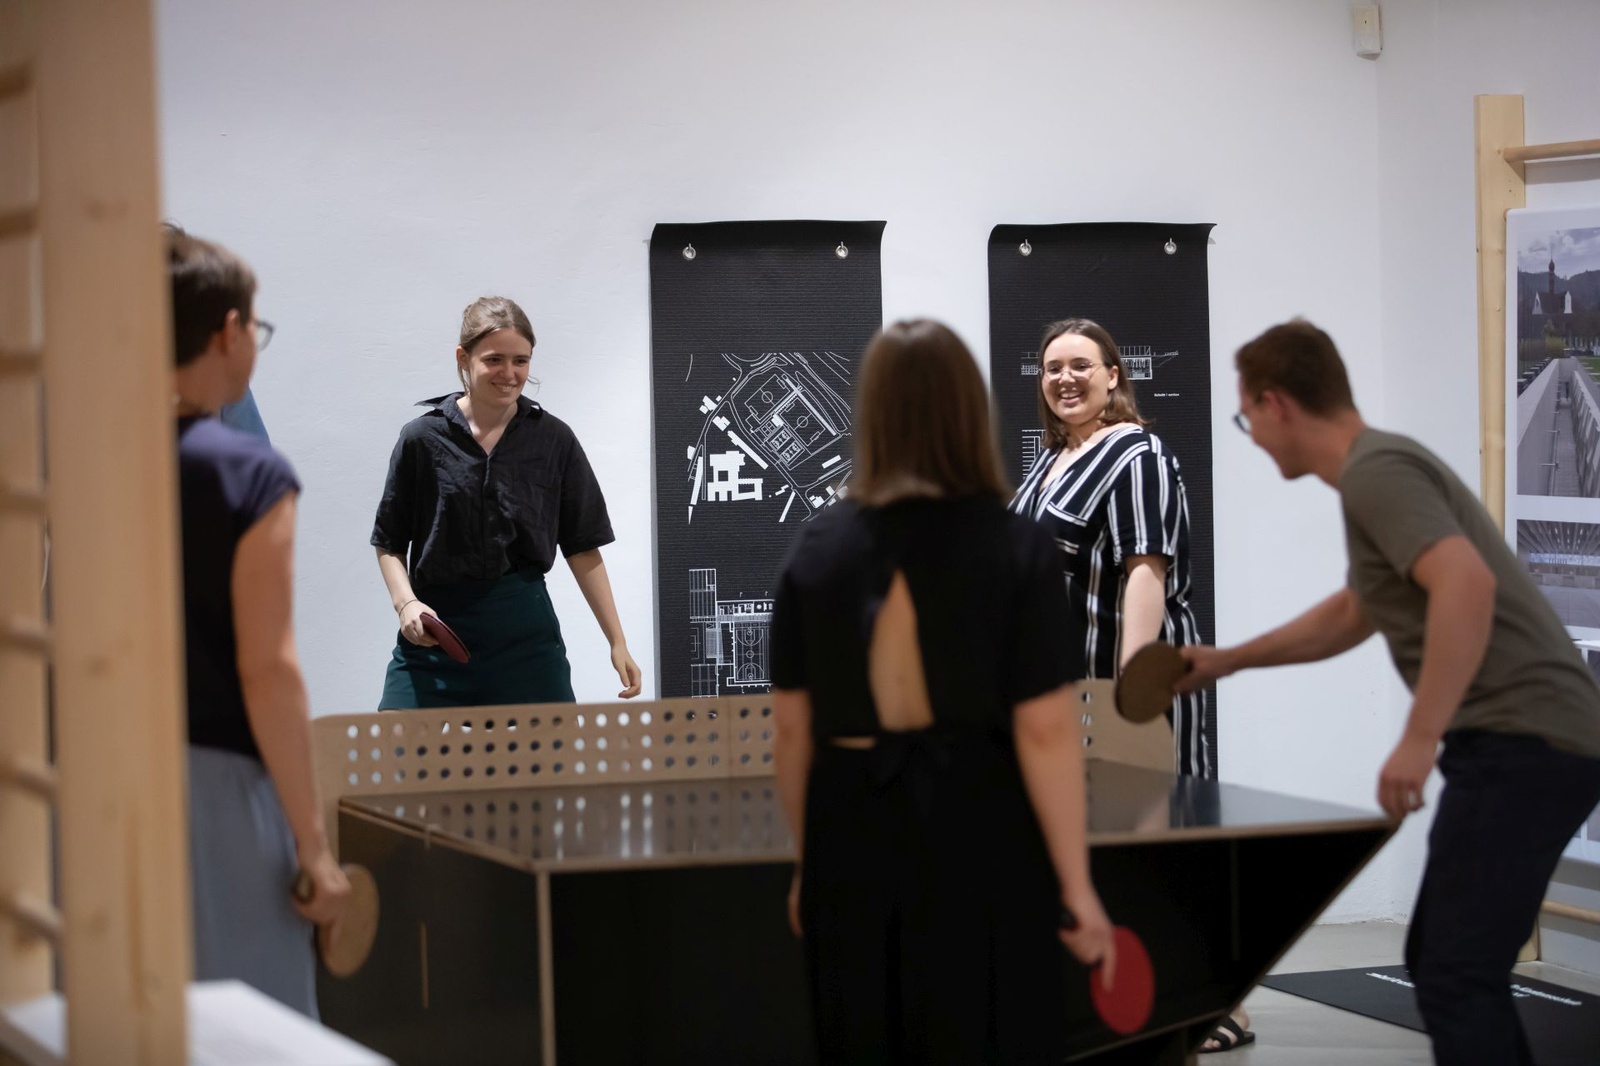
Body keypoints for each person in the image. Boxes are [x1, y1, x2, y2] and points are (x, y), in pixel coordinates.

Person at [1178, 319, 1600, 1066]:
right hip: (1531, 742)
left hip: (1525, 741)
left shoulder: (1376, 471)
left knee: (1453, 970)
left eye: (1247, 418)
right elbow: (1357, 609)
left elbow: (1464, 584)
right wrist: (1229, 661)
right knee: (1447, 960)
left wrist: (1417, 736)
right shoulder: (1373, 474)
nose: (1253, 437)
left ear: (1277, 403)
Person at [771, 319, 1114, 1064]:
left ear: (872, 412)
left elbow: (793, 732)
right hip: (980, 823)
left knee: (863, 1033)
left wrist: (807, 865)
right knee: (986, 1029)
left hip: (851, 828)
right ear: (969, 410)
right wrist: (1076, 884)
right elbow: (1046, 732)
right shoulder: (1015, 545)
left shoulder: (819, 547)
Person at [1007, 318, 1245, 1051]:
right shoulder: (1050, 462)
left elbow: (1147, 570)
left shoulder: (1137, 454)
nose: (1065, 378)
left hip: (1127, 693)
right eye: (1053, 367)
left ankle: (1215, 1006)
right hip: (1068, 697)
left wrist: (1130, 698)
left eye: (1081, 365)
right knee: (1098, 854)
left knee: (1164, 847)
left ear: (1114, 375)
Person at [168, 225, 349, 1016]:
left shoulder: (79, 461)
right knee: (249, 1023)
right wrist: (314, 845)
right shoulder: (247, 471)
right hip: (219, 788)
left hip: (98, 773)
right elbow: (267, 669)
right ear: (228, 331)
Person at [371, 296, 641, 708]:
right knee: (392, 748)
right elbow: (389, 541)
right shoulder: (420, 439)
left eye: (521, 361)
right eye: (494, 359)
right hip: (435, 633)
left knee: (552, 752)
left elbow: (583, 547)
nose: (509, 374)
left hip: (525, 635)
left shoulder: (554, 440)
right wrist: (405, 603)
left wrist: (617, 640)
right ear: (464, 358)